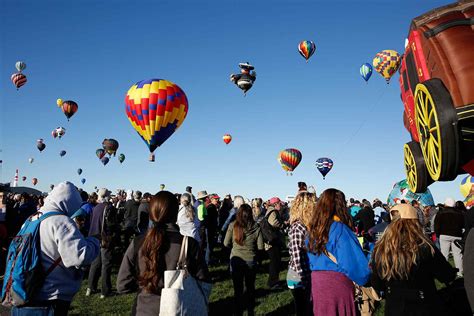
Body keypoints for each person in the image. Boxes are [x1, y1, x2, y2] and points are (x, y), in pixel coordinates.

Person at [11, 182, 100, 315]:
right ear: (70, 202)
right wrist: (95, 241)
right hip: (50, 297)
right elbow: (79, 257)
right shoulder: (60, 221)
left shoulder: (31, 219)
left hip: (25, 291)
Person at [116, 191, 208, 315]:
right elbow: (204, 282)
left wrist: (144, 287)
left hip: (144, 309)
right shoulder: (189, 244)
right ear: (176, 213)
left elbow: (122, 285)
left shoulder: (138, 243)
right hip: (179, 308)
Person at [371, 204, 457, 316]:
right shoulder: (425, 247)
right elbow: (446, 275)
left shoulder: (381, 250)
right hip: (424, 306)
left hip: (395, 307)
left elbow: (377, 284)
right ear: (414, 222)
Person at [307, 188, 370, 316]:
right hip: (336, 285)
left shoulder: (312, 231)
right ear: (341, 205)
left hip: (317, 284)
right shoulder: (340, 229)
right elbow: (354, 264)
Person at [224, 204, 263, 316]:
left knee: (238, 290)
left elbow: (225, 243)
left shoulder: (232, 226)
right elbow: (260, 247)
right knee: (250, 289)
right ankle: (251, 312)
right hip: (250, 260)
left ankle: (238, 312)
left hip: (236, 260)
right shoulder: (256, 227)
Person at [87, 188, 119, 298]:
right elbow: (111, 225)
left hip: (95, 237)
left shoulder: (95, 208)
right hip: (105, 238)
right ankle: (105, 291)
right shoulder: (109, 208)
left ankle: (90, 287)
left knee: (95, 264)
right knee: (106, 264)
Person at [286, 192, 314, 316]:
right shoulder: (298, 227)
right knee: (303, 309)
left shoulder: (305, 225)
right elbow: (296, 257)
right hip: (298, 276)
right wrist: (304, 280)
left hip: (305, 273)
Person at [434, 197, 464, 277]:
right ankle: (460, 272)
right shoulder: (460, 213)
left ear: (445, 204)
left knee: (444, 254)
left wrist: (438, 234)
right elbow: (462, 225)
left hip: (444, 235)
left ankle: (445, 272)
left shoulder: (441, 213)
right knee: (458, 254)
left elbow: (437, 225)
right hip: (457, 235)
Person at [265, 197, 288, 289]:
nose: (281, 206)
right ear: (275, 204)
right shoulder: (273, 212)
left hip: (272, 241)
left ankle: (274, 281)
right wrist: (283, 224)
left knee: (276, 261)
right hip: (273, 241)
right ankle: (273, 282)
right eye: (279, 204)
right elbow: (274, 223)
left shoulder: (271, 211)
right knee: (275, 262)